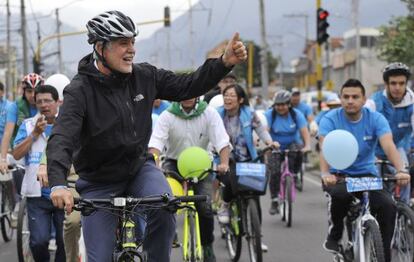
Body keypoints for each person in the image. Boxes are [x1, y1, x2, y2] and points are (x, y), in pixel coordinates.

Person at [45, 10, 247, 262]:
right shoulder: (79, 91)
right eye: (123, 43)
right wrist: (58, 184)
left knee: (165, 205)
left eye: (132, 42)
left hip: (139, 169)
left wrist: (223, 63)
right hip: (98, 182)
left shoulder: (145, 76)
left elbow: (188, 85)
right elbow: (62, 137)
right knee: (99, 259)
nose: (131, 49)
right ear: (100, 47)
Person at [319, 78, 410, 262]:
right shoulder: (330, 119)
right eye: (346, 97)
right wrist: (325, 174)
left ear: (363, 99)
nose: (350, 100)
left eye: (355, 97)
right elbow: (324, 147)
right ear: (341, 99)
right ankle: (335, 235)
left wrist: (401, 169)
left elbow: (389, 145)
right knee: (340, 196)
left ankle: (383, 254)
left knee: (388, 206)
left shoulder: (375, 118)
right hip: (339, 175)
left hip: (367, 175)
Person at [148, 97, 230, 262]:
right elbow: (156, 143)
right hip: (174, 162)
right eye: (184, 94)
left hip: (201, 162)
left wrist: (224, 163)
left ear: (198, 96)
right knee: (166, 203)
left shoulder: (209, 113)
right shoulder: (168, 115)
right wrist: (155, 166)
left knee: (205, 208)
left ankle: (207, 246)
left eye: (192, 93)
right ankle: (170, 238)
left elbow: (222, 141)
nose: (187, 97)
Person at [215, 84, 277, 252]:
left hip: (248, 158)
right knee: (227, 179)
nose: (227, 98)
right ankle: (225, 205)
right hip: (226, 159)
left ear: (241, 100)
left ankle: (257, 236)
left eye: (231, 96)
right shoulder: (217, 115)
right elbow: (211, 135)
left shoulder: (249, 114)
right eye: (225, 95)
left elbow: (261, 131)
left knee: (254, 197)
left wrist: (270, 142)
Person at [13, 84, 65, 262]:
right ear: (35, 103)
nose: (44, 105)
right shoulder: (27, 125)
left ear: (57, 102)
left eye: (48, 101)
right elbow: (17, 154)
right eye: (39, 101)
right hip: (37, 195)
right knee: (38, 242)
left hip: (63, 192)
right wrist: (34, 134)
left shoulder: (68, 124)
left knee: (64, 241)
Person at [365, 62, 413, 203]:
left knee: (404, 176)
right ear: (386, 84)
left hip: (399, 148)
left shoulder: (412, 103)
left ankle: (404, 211)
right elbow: (364, 128)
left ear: (406, 84)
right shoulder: (374, 102)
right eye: (393, 83)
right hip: (374, 149)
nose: (397, 88)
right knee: (374, 185)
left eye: (401, 83)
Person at [264, 90, 311, 215]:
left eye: (283, 104)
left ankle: (294, 174)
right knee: (274, 171)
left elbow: (304, 131)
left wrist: (307, 145)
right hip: (275, 145)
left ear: (289, 104)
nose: (280, 107)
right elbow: (265, 131)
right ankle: (274, 200)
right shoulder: (270, 115)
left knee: (298, 151)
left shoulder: (296, 114)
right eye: (278, 105)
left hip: (292, 143)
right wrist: (268, 146)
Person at [0, 73, 42, 174]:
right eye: (29, 91)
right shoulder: (15, 107)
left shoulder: (45, 104)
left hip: (41, 152)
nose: (33, 95)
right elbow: (7, 133)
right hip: (20, 153)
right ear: (23, 91)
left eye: (36, 91)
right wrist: (2, 160)